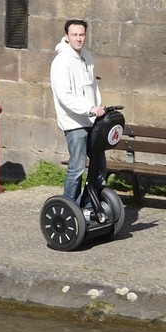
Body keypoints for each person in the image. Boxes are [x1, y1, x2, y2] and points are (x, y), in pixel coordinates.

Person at [50, 18, 105, 200]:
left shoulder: (87, 57)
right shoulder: (62, 61)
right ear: (67, 36)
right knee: (77, 168)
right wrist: (90, 108)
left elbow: (92, 88)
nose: (78, 38)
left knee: (99, 166)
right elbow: (64, 96)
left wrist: (98, 108)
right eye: (74, 35)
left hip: (91, 121)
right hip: (74, 123)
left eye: (81, 34)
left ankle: (89, 206)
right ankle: (69, 208)